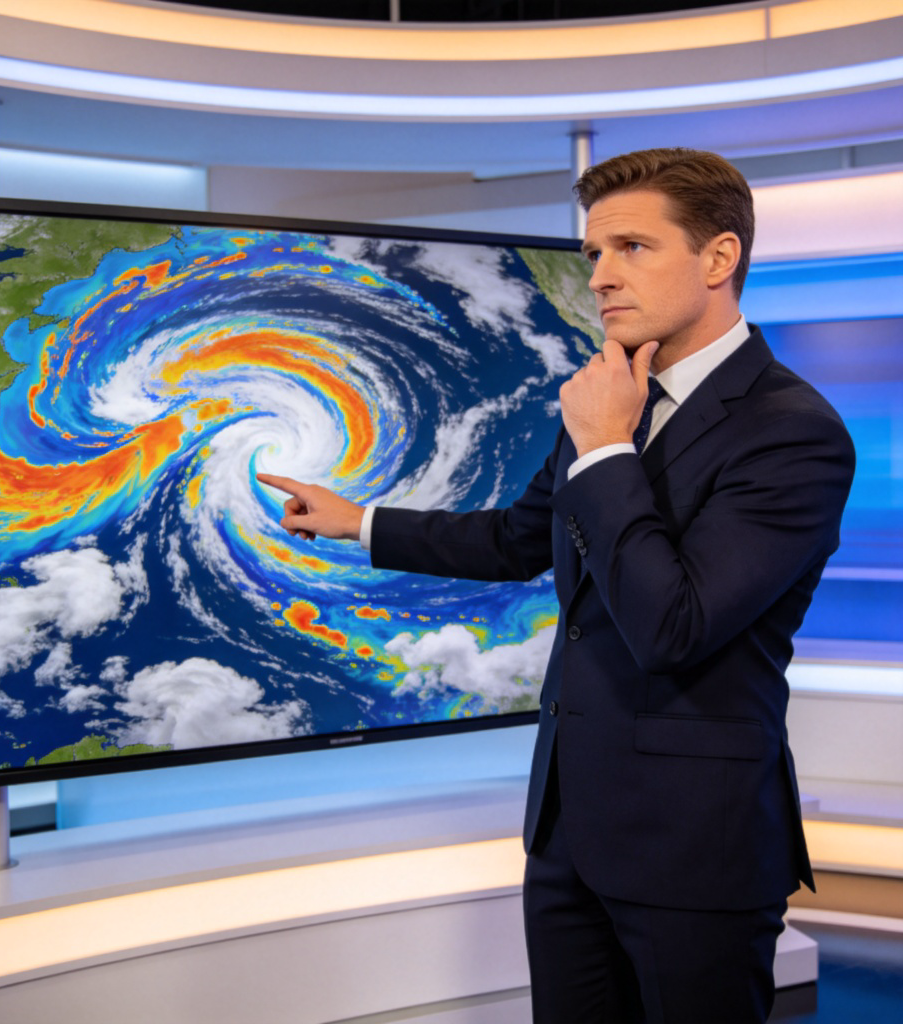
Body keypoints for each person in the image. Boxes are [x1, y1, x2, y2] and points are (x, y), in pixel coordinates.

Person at [257, 148, 855, 1023]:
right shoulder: (610, 402)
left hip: (696, 848)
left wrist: (609, 447)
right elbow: (516, 538)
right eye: (592, 256)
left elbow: (674, 626)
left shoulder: (791, 432)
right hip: (570, 835)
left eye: (632, 249)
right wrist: (359, 520)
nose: (602, 278)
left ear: (719, 259)